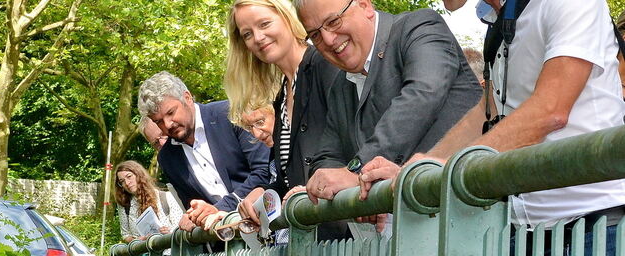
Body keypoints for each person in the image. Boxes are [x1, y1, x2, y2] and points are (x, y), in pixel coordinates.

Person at [359, 0, 625, 256]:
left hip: (599, 235)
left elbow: (550, 110)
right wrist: (425, 165)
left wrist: (446, 168)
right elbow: (490, 112)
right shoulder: (501, 19)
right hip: (525, 241)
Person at [291, 0, 482, 210]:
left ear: (365, 6)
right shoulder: (340, 85)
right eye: (315, 35)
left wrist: (356, 174)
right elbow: (328, 155)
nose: (328, 39)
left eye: (334, 21)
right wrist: (336, 187)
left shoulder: (419, 26)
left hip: (470, 212)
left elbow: (422, 95)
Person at [224, 0, 349, 240]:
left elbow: (358, 145)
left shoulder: (327, 65)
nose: (258, 38)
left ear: (288, 19)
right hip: (313, 243)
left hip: (351, 239)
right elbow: (287, 180)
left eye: (264, 24)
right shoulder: (282, 96)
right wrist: (259, 195)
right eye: (247, 34)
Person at [137, 71, 270, 230]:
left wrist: (220, 208)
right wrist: (193, 215)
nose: (168, 124)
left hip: (271, 222)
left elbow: (264, 171)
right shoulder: (167, 158)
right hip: (224, 244)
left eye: (171, 112)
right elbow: (192, 204)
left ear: (187, 97)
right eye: (158, 121)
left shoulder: (230, 113)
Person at [114, 160, 183, 243]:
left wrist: (169, 232)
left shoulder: (166, 197)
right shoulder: (125, 204)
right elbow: (125, 234)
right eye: (122, 181)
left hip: (168, 253)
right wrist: (136, 241)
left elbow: (180, 229)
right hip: (141, 253)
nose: (127, 183)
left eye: (129, 176)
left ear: (138, 174)